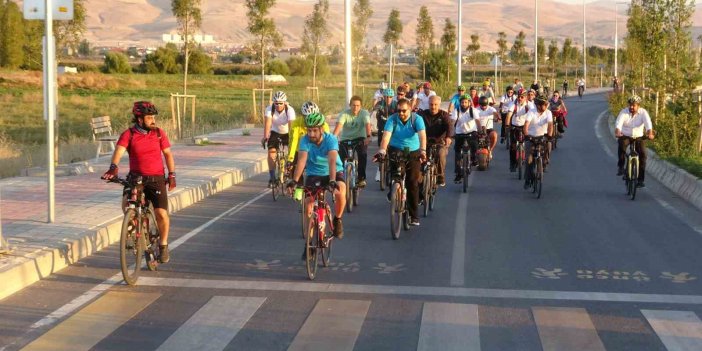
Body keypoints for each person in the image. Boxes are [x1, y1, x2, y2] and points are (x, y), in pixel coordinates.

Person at [101, 101, 175, 263]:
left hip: (156, 179)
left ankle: (163, 244)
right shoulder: (129, 134)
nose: (153, 120)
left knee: (161, 213)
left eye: (153, 117)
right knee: (126, 204)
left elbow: (168, 155)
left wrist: (172, 175)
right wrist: (113, 167)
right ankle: (135, 225)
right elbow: (119, 151)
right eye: (149, 117)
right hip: (136, 178)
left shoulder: (159, 133)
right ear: (139, 119)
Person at [287, 113, 346, 259]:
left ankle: (338, 219)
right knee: (308, 204)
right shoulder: (305, 140)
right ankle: (310, 244)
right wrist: (294, 180)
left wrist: (332, 181)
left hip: (332, 171)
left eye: (314, 130)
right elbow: (301, 161)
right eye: (309, 130)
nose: (311, 134)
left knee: (340, 191)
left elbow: (332, 161)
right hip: (314, 173)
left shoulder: (331, 139)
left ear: (321, 129)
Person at [375, 98, 427, 226]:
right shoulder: (392, 119)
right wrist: (382, 150)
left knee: (412, 182)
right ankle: (394, 189)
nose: (401, 113)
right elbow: (386, 136)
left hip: (413, 151)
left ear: (410, 109)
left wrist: (423, 151)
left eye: (404, 111)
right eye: (399, 111)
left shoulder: (417, 119)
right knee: (396, 173)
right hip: (396, 149)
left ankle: (414, 216)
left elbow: (422, 135)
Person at [615, 95, 654, 188]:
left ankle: (640, 180)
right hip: (626, 135)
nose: (631, 107)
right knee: (622, 145)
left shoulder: (643, 113)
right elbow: (618, 124)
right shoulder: (624, 112)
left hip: (639, 136)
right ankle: (621, 167)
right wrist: (617, 132)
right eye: (630, 105)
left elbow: (648, 124)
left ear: (638, 106)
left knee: (643, 155)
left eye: (634, 105)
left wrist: (650, 134)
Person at [334, 96, 372, 188]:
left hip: (360, 138)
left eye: (358, 105)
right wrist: (333, 138)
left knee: (362, 154)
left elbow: (368, 126)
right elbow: (338, 128)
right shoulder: (344, 114)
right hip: (345, 139)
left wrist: (368, 137)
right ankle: (341, 178)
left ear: (361, 106)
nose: (355, 108)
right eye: (353, 105)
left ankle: (361, 178)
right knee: (341, 158)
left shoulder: (364, 113)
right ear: (349, 105)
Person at [418, 95, 454, 186]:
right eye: (431, 104)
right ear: (428, 104)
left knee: (440, 153)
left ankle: (440, 176)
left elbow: (449, 126)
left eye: (435, 104)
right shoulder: (422, 114)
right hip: (424, 141)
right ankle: (419, 177)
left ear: (439, 105)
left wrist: (448, 137)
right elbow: (414, 124)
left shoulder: (444, 115)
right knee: (417, 157)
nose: (433, 107)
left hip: (440, 142)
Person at [288, 101, 330, 177]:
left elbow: (327, 142)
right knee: (296, 176)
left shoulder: (323, 124)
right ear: (302, 116)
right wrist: (290, 159)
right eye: (306, 117)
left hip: (317, 151)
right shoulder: (296, 123)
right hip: (300, 150)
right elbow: (293, 141)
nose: (310, 119)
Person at [263, 91, 296, 187]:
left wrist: (292, 141)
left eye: (280, 103)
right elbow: (268, 124)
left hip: (287, 132)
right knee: (271, 153)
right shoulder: (269, 109)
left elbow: (291, 127)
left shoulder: (290, 110)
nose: (278, 105)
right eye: (276, 103)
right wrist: (265, 137)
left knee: (291, 153)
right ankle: (272, 178)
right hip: (275, 132)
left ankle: (289, 172)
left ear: (285, 102)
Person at [523, 96, 554, 186]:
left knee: (548, 145)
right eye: (543, 105)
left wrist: (549, 136)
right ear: (538, 105)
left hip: (542, 137)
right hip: (531, 137)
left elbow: (550, 125)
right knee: (529, 159)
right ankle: (527, 180)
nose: (545, 106)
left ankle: (544, 162)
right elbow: (526, 125)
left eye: (545, 104)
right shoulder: (531, 112)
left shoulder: (548, 113)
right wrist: (526, 135)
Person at [451, 94, 482, 183]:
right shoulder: (456, 111)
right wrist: (452, 132)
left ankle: (473, 158)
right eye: (462, 102)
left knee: (475, 145)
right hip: (459, 133)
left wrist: (480, 131)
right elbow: (453, 122)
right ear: (460, 103)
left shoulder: (473, 110)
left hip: (471, 132)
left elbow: (477, 121)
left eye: (465, 102)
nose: (463, 104)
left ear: (469, 103)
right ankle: (458, 174)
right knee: (457, 153)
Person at [506, 89, 530, 172]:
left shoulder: (529, 105)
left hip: (525, 127)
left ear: (526, 98)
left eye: (522, 97)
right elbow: (509, 116)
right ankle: (512, 163)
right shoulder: (513, 104)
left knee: (529, 145)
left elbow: (534, 114)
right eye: (519, 97)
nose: (520, 99)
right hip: (514, 126)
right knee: (512, 146)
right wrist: (507, 126)